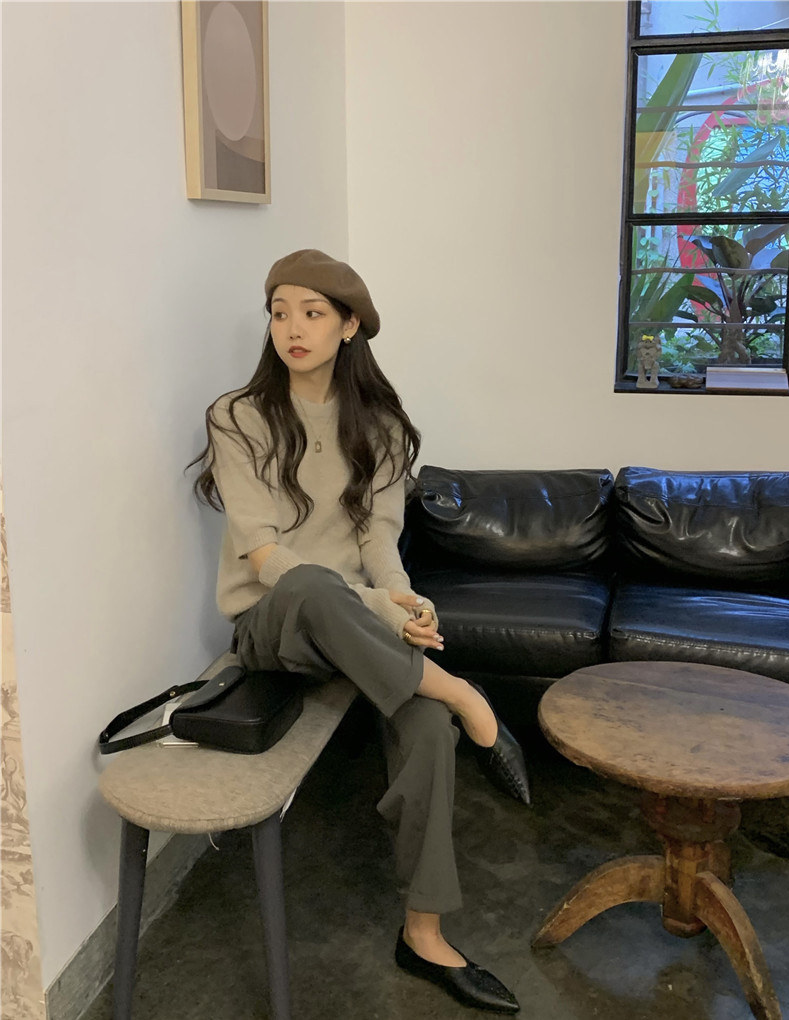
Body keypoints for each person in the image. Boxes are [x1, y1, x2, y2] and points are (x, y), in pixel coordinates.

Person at [189, 249, 529, 1014]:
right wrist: (377, 610)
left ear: (349, 327)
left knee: (427, 727)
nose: (293, 328)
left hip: (357, 623)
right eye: (280, 312)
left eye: (313, 313)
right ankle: (466, 694)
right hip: (275, 625)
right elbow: (265, 556)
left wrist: (402, 601)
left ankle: (424, 932)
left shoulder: (379, 425)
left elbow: (380, 540)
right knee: (312, 584)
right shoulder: (237, 417)